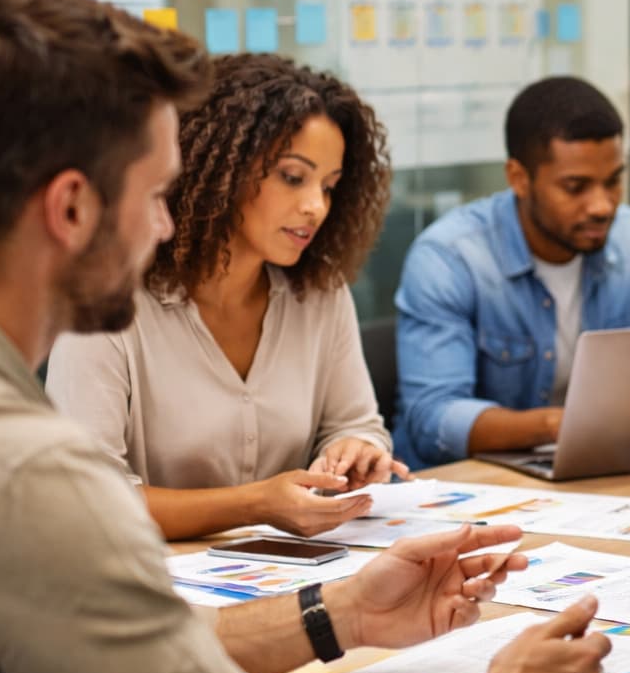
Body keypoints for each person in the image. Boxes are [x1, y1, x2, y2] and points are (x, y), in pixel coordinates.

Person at [0, 0, 609, 673]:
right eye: (157, 194)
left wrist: (343, 613)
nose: (165, 225)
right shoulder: (26, 476)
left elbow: (156, 650)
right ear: (73, 208)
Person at [48, 54, 403, 540]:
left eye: (329, 187)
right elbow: (86, 500)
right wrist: (255, 505)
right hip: (143, 574)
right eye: (292, 177)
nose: (315, 207)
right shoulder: (105, 304)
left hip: (290, 567)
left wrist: (355, 449)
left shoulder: (319, 292)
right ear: (221, 169)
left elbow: (356, 423)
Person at [393, 76, 630, 467]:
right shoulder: (449, 258)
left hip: (603, 473)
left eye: (613, 181)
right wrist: (557, 426)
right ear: (519, 178)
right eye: (575, 187)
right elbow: (433, 420)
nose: (602, 206)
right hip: (472, 487)